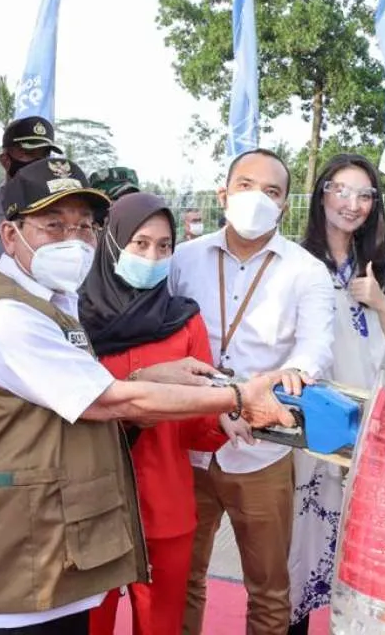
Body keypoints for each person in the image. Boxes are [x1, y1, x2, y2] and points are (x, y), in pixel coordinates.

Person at [0, 157, 307, 635]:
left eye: (84, 227)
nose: (73, 241)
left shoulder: (55, 303)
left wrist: (160, 375)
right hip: (12, 567)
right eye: (53, 226)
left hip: (58, 547)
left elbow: (83, 387)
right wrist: (237, 396)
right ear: (10, 235)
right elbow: (110, 401)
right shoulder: (8, 313)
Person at [170, 148, 335, 635]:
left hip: (261, 451)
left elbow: (314, 351)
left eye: (271, 191)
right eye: (245, 185)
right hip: (190, 445)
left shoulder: (306, 271)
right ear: (223, 193)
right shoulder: (183, 259)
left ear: (285, 205)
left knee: (268, 590)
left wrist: (262, 391)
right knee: (184, 578)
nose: (257, 198)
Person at [80, 194, 246, 635]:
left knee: (160, 626)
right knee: (88, 626)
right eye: (140, 244)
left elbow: (197, 426)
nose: (153, 256)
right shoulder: (73, 320)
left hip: (165, 505)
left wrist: (222, 418)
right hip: (90, 506)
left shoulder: (183, 321)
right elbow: (73, 409)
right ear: (112, 244)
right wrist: (141, 384)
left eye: (164, 246)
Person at [287, 153, 385, 635]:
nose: (352, 203)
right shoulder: (295, 260)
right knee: (301, 531)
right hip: (309, 411)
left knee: (361, 531)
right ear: (322, 194)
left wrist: (379, 302)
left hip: (364, 414)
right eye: (341, 190)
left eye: (364, 194)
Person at [0, 116, 62, 276]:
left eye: (44, 155)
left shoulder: (62, 212)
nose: (38, 162)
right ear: (5, 159)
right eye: (28, 153)